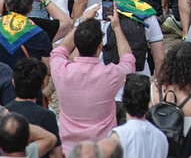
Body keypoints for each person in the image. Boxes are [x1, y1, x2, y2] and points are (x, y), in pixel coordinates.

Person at [50, 11, 133, 151]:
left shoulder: (61, 70)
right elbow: (128, 61)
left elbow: (60, 51)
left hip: (69, 150)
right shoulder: (110, 74)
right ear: (100, 47)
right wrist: (117, 28)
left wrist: (81, 23)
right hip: (101, 150)